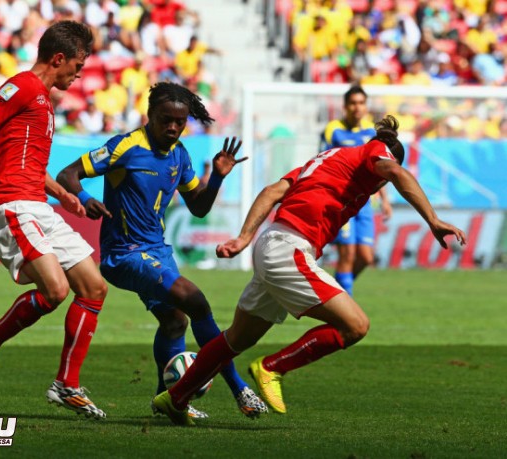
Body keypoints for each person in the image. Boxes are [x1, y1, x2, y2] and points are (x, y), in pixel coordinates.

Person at [152, 115, 467, 425]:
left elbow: (273, 191)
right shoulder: (376, 152)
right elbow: (395, 171)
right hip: (289, 249)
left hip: (273, 244)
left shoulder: (326, 159)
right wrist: (433, 220)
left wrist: (245, 238)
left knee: (237, 338)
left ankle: (175, 396)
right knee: (356, 325)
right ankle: (272, 368)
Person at [56, 81, 267, 420]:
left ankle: (167, 401)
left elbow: (198, 208)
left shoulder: (180, 154)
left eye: (179, 122)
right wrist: (85, 199)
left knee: (174, 322)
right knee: (195, 300)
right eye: (165, 119)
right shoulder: (126, 146)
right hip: (124, 253)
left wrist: (217, 178)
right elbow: (68, 174)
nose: (172, 127)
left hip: (157, 250)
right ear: (150, 115)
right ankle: (240, 388)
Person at [0, 20, 108, 420]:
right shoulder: (23, 85)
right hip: (13, 206)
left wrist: (66, 195)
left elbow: (32, 165)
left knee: (93, 288)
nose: (78, 76)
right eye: (76, 67)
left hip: (41, 207)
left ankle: (67, 385)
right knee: (56, 290)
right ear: (57, 58)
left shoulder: (43, 100)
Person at [321, 85, 392, 297]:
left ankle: (336, 292)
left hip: (366, 202)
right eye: (353, 103)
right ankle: (344, 309)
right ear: (345, 106)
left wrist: (385, 199)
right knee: (347, 254)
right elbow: (324, 161)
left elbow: (378, 167)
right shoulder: (333, 129)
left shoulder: (371, 132)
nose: (357, 107)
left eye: (361, 103)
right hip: (343, 199)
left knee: (366, 257)